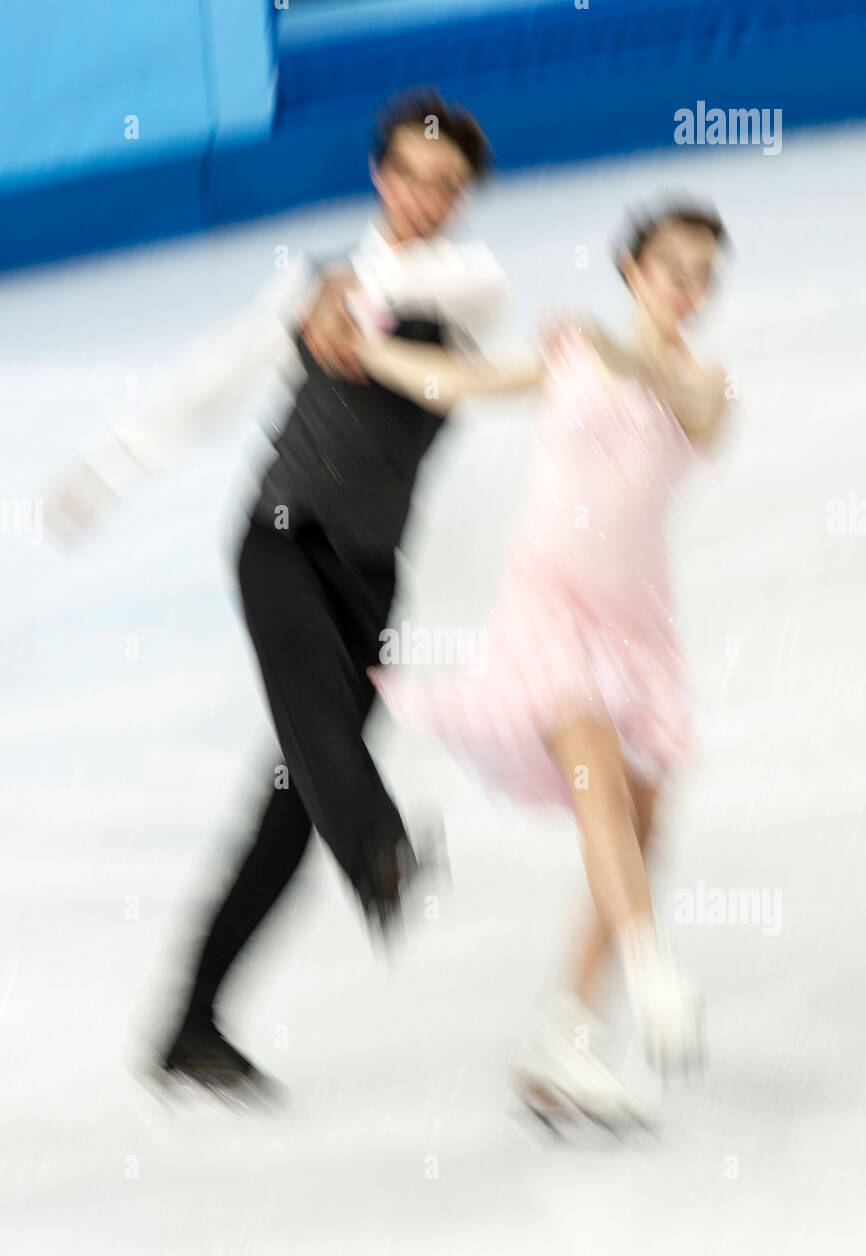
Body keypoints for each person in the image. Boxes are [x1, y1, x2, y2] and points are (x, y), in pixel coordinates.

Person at [46, 88, 515, 1098]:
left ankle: (192, 1021)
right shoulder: (307, 289)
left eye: (448, 185)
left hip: (372, 573)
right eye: (410, 178)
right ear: (379, 178)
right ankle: (382, 845)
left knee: (292, 799)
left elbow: (425, 286)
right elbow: (201, 388)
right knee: (316, 723)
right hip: (279, 540)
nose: (427, 198)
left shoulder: (474, 290)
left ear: (465, 195)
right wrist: (103, 472)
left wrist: (354, 294)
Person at [345, 198, 733, 1132]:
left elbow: (684, 404)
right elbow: (461, 384)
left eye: (705, 274)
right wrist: (371, 351)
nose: (690, 286)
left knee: (642, 829)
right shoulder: (568, 355)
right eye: (673, 266)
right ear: (634, 268)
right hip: (547, 607)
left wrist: (618, 347)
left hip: (639, 628)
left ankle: (565, 1040)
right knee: (599, 786)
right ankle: (651, 970)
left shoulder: (708, 384)